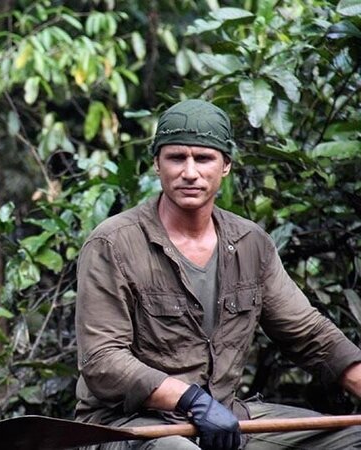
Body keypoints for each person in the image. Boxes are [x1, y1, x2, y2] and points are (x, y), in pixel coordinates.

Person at [74, 99, 361, 450]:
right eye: (177, 158)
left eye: (204, 158)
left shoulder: (250, 243)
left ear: (225, 166)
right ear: (156, 164)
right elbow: (103, 360)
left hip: (227, 418)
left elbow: (311, 336)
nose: (190, 172)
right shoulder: (114, 243)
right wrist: (192, 401)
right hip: (129, 426)